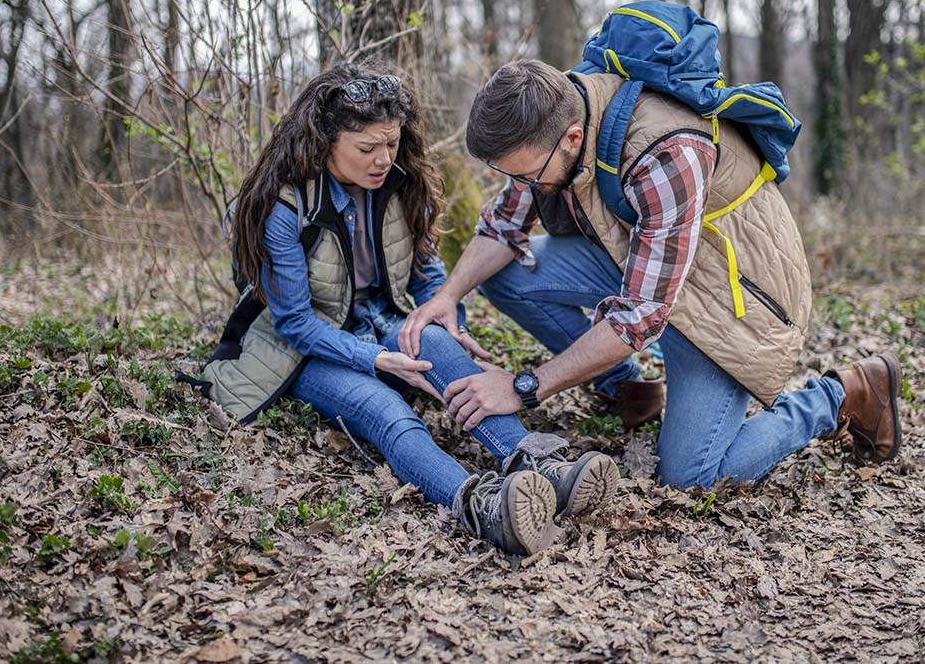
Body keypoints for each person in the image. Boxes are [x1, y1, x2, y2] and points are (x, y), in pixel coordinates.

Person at [399, 60, 903, 489]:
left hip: (730, 299)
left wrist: (525, 386)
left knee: (692, 476)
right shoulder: (552, 119)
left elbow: (639, 318)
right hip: (647, 266)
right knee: (508, 273)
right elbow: (503, 226)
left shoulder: (667, 151)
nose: (520, 186)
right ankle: (627, 389)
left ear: (573, 138)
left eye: (527, 175)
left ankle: (846, 393)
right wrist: (445, 297)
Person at [189, 63, 619, 554]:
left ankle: (538, 466)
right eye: (367, 149)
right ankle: (484, 508)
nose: (382, 159)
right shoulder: (283, 207)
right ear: (325, 142)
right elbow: (294, 323)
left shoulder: (399, 182)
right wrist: (374, 360)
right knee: (386, 410)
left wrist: (446, 316)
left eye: (390, 144)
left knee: (435, 341)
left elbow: (425, 272)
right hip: (308, 352)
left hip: (384, 322)